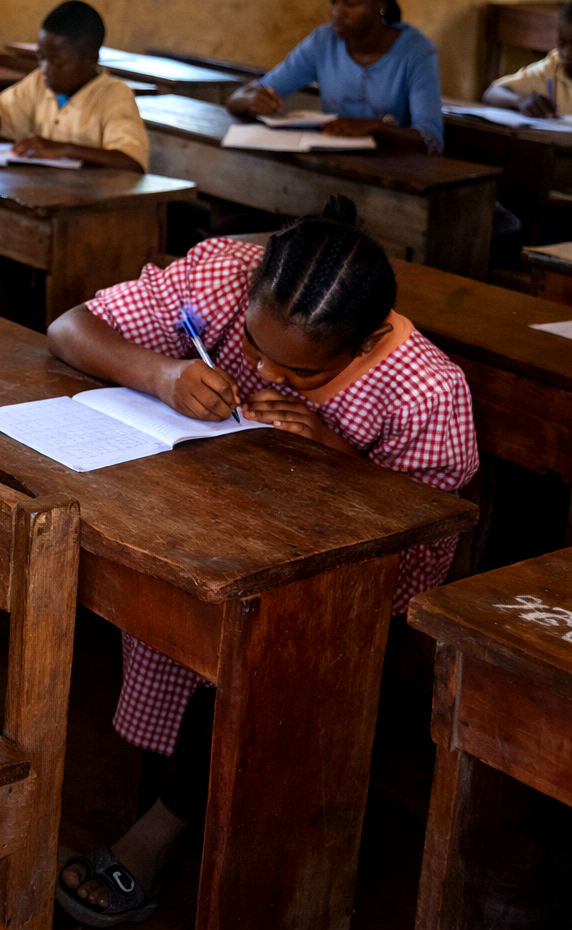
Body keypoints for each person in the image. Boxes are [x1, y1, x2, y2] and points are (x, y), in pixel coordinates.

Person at [45, 196, 477, 926]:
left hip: (336, 580)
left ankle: (160, 834)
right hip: (206, 525)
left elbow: (426, 529)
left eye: (298, 372)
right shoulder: (223, 276)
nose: (263, 371)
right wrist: (161, 375)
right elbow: (68, 329)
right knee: (161, 589)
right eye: (251, 342)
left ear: (368, 341)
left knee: (265, 635)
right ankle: (168, 794)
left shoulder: (425, 391)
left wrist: (332, 452)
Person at [225, 0, 443, 154]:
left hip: (396, 169)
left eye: (350, 2)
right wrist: (252, 100)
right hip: (338, 162)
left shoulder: (416, 52)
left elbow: (431, 139)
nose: (337, 12)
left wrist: (376, 127)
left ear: (383, 2)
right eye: (333, 0)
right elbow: (238, 98)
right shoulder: (323, 42)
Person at [0, 0, 149, 172]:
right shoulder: (38, 83)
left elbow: (132, 162)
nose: (46, 70)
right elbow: (1, 111)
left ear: (91, 59)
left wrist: (64, 149)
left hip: (92, 194)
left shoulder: (114, 95)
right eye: (41, 58)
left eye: (58, 63)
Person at [482, 0, 571, 118]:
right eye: (561, 42)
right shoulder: (552, 68)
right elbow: (492, 93)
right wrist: (521, 101)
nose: (567, 53)